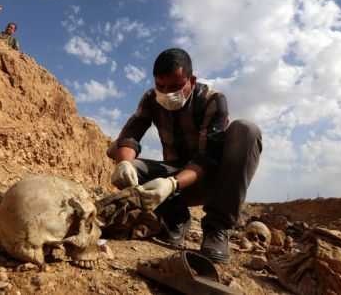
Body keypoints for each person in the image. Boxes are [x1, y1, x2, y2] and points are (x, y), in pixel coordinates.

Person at [108, 48, 262, 264]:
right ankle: (175, 216)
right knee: (128, 166)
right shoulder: (152, 99)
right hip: (176, 176)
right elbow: (130, 134)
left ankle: (217, 229)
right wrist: (123, 163)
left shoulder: (212, 100)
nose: (166, 92)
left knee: (246, 130)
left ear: (192, 80)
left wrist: (171, 184)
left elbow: (206, 159)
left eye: (175, 87)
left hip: (211, 180)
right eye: (161, 86)